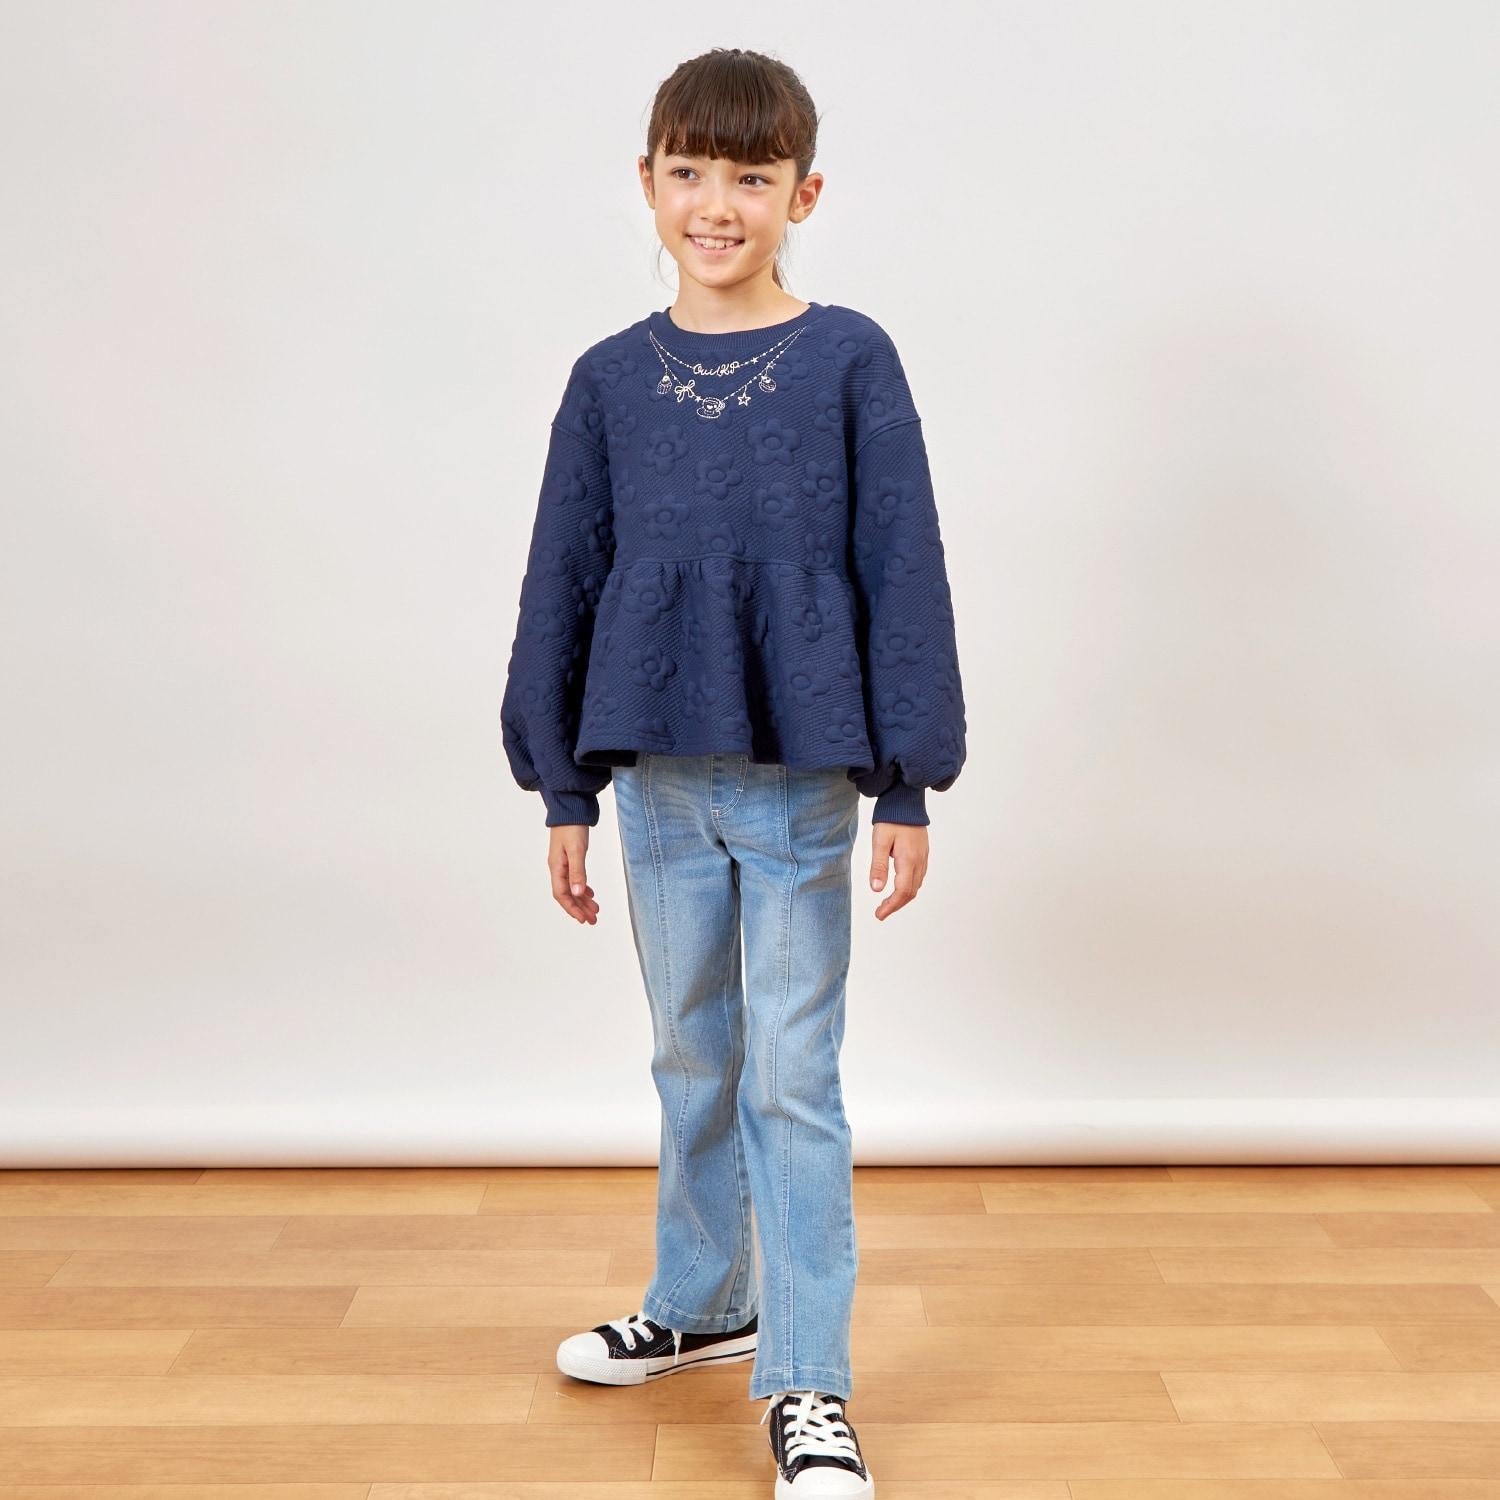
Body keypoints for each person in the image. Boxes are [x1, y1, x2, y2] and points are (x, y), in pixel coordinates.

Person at [500, 46, 966, 1498]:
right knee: (692, 1055)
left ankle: (809, 1381)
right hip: (655, 787)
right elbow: (564, 578)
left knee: (792, 1078)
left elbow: (902, 566)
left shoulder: (850, 360)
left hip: (799, 786)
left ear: (802, 195)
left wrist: (908, 781)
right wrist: (565, 790)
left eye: (751, 177)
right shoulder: (606, 381)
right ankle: (704, 1300)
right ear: (646, 183)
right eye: (690, 172)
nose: (717, 204)